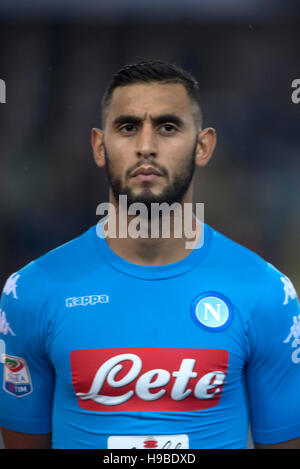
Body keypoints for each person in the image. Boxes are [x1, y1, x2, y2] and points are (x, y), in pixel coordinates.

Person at [0, 61, 299, 449]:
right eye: (127, 127)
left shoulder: (266, 293)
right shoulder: (31, 292)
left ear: (203, 145)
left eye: (168, 127)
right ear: (99, 146)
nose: (146, 145)